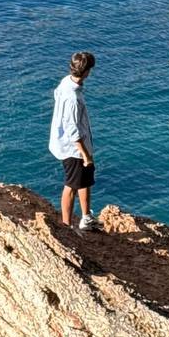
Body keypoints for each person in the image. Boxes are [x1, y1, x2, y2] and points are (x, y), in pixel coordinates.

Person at [49, 51, 102, 231]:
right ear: (86, 71)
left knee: (84, 180)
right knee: (71, 185)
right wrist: (85, 155)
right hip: (73, 149)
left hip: (73, 145)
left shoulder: (67, 82)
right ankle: (67, 227)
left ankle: (86, 218)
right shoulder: (72, 97)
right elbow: (72, 131)